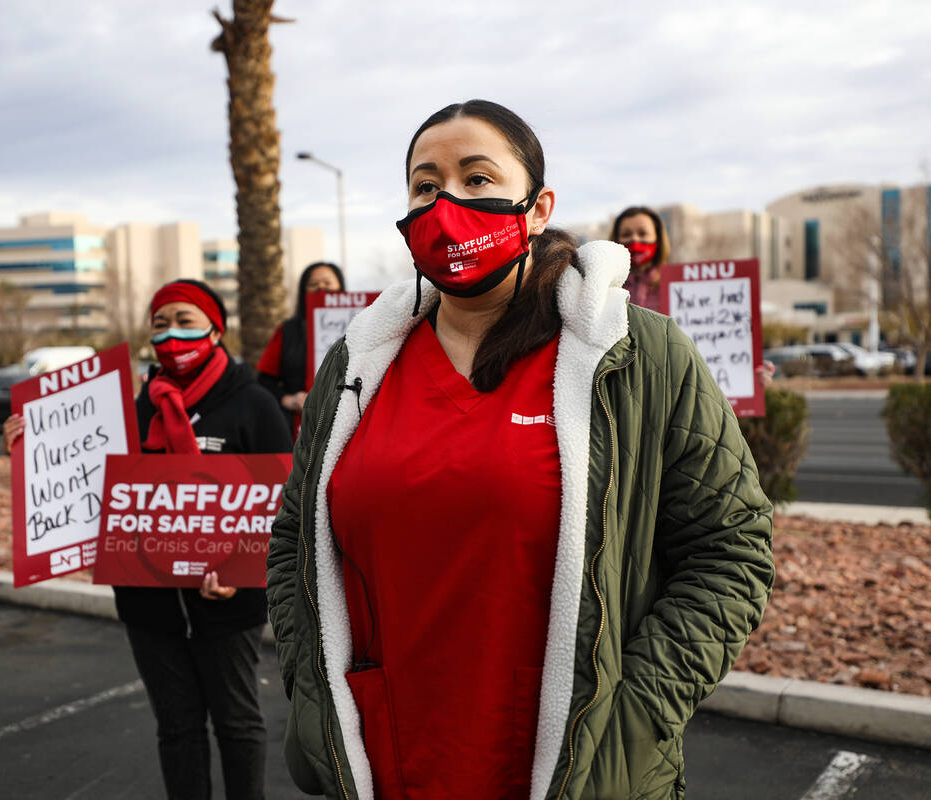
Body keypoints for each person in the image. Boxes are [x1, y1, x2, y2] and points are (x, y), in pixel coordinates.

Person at [266, 100, 774, 800]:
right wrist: (311, 691)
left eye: (477, 179)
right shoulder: (356, 367)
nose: (447, 202)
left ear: (537, 208)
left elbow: (731, 547)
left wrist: (636, 717)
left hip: (573, 770)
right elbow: (296, 538)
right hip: (390, 765)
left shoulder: (639, 357)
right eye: (425, 185)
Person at [6, 279, 291, 800]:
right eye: (160, 325)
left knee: (237, 723)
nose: (171, 335)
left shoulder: (254, 404)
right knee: (177, 728)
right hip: (148, 604)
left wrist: (238, 572)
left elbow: (282, 508)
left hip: (226, 602)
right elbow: (85, 484)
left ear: (216, 328)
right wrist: (32, 446)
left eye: (185, 321)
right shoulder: (126, 410)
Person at [611, 204, 777, 387]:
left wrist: (750, 372)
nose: (634, 239)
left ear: (658, 239)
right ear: (615, 239)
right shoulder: (606, 289)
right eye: (626, 234)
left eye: (643, 234)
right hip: (619, 387)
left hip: (673, 388)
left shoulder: (683, 287)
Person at [256, 261, 345, 438]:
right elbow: (264, 382)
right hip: (299, 428)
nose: (321, 288)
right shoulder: (287, 331)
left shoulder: (359, 326)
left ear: (341, 287)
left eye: (327, 283)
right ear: (303, 292)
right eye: (313, 284)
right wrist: (289, 400)